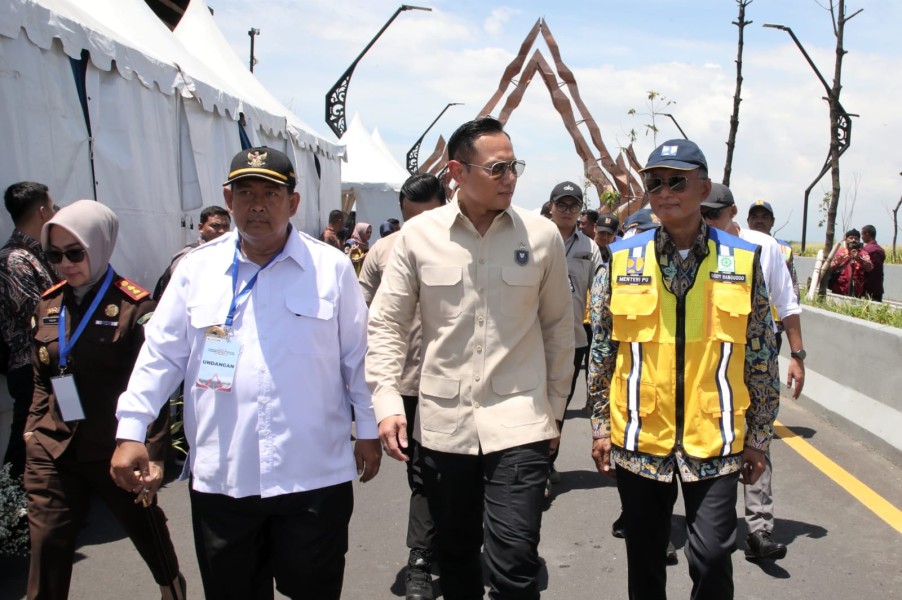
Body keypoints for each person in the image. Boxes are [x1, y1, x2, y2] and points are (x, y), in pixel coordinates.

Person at [111, 147, 381, 599]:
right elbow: (160, 355)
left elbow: (357, 356)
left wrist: (368, 429)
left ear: (293, 203)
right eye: (245, 192)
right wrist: (130, 430)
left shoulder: (330, 268)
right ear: (228, 198)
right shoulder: (196, 269)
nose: (257, 204)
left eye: (271, 193)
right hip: (224, 476)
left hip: (312, 475)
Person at [367, 117, 574, 600]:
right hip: (444, 425)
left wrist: (555, 408)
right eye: (498, 168)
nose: (510, 178)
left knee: (515, 559)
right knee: (457, 555)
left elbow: (559, 330)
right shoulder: (418, 236)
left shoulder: (541, 236)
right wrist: (386, 399)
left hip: (521, 420)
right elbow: (387, 324)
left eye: (514, 166)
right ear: (458, 171)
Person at [588, 139, 779, 599]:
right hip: (639, 440)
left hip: (714, 439)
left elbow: (761, 358)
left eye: (676, 181)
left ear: (703, 187)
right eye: (654, 182)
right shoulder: (621, 259)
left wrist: (758, 438)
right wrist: (599, 427)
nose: (664, 191)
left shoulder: (741, 262)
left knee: (713, 559)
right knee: (646, 561)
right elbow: (601, 353)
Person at [25, 200, 183, 599]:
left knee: (146, 530)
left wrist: (155, 453)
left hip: (115, 447)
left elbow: (154, 387)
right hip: (54, 446)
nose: (65, 263)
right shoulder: (48, 305)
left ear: (99, 246)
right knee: (48, 544)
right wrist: (31, 428)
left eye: (75, 253)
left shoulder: (134, 307)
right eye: (55, 254)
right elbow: (42, 377)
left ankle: (171, 584)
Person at [702, 185, 806, 562]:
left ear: (732, 212)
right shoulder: (693, 244)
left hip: (755, 361)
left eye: (714, 214)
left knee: (757, 435)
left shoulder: (765, 248)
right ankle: (702, 521)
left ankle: (759, 528)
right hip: (707, 362)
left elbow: (787, 302)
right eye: (703, 214)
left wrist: (797, 354)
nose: (708, 221)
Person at [358, 173, 446, 600]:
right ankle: (422, 558)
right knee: (423, 476)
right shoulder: (382, 251)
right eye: (410, 219)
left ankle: (442, 548)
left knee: (453, 475)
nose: (418, 230)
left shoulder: (469, 250)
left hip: (457, 386)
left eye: (427, 218)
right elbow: (361, 318)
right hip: (405, 387)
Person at [1, 182, 60, 478]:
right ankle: (11, 508)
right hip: (31, 368)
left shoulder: (39, 256)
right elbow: (40, 316)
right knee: (26, 437)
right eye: (52, 208)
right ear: (41, 211)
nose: (55, 213)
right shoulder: (16, 261)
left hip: (50, 364)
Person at [546, 181, 602, 495]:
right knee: (535, 400)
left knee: (560, 404)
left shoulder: (589, 247)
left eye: (573, 206)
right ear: (551, 206)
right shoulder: (536, 238)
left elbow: (601, 290)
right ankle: (534, 465)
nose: (567, 211)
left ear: (580, 211)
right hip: (536, 338)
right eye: (562, 204)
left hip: (573, 340)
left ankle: (547, 457)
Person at [152, 205, 231, 300]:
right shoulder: (188, 256)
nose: (222, 231)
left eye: (226, 226)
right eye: (215, 226)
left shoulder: (230, 253)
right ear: (201, 228)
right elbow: (177, 291)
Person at [747, 200, 800, 303]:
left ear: (773, 221)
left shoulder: (784, 249)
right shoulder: (739, 248)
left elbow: (793, 285)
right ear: (748, 221)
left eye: (764, 217)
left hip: (777, 314)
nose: (759, 221)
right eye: (754, 217)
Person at [829, 229, 872, 297]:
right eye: (851, 238)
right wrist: (838, 261)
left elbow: (869, 268)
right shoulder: (840, 252)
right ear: (846, 240)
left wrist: (859, 258)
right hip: (839, 289)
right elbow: (830, 268)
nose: (853, 240)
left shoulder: (863, 253)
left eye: (856, 238)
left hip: (857, 290)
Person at [860, 225, 885, 302]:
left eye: (862, 234)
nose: (862, 237)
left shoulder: (867, 250)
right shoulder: (880, 250)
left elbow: (870, 270)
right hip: (877, 287)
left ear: (867, 234)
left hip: (868, 288)